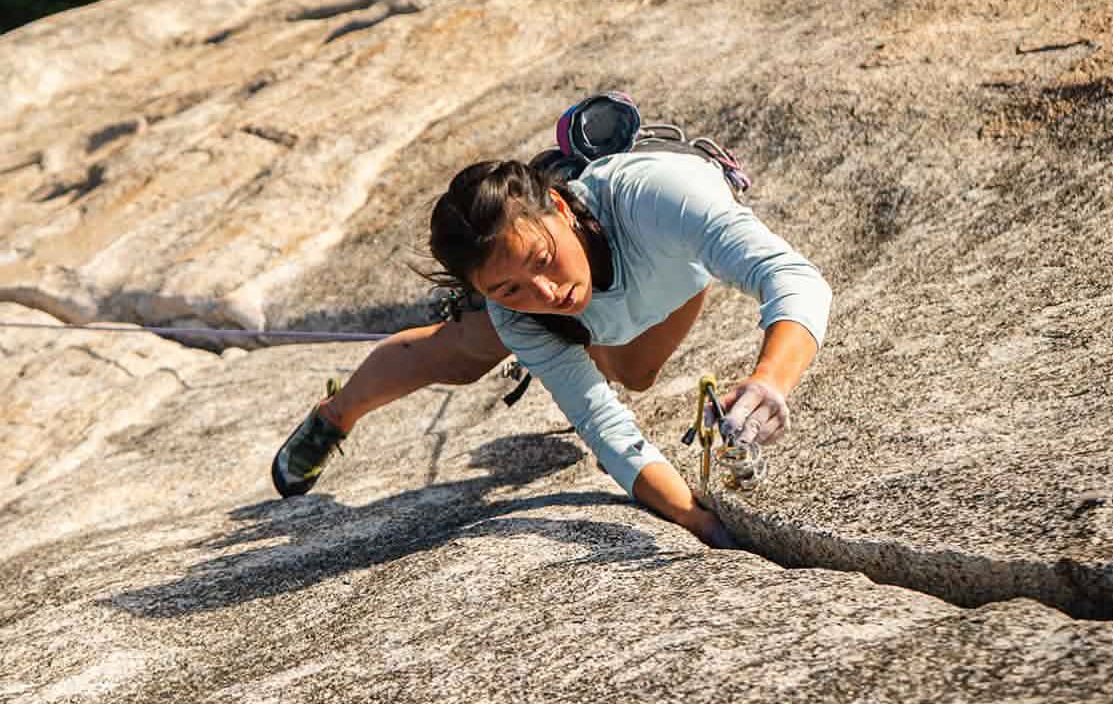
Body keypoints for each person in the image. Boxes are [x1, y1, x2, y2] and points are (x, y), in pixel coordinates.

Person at [271, 148, 832, 547]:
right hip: (608, 307)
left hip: (666, 276)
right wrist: (696, 519)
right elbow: (605, 430)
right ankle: (334, 415)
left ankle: (575, 342)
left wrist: (771, 380)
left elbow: (794, 278)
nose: (545, 292)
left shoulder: (660, 197)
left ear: (560, 209)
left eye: (542, 260)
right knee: (457, 355)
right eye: (507, 286)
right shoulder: (517, 313)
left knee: (636, 375)